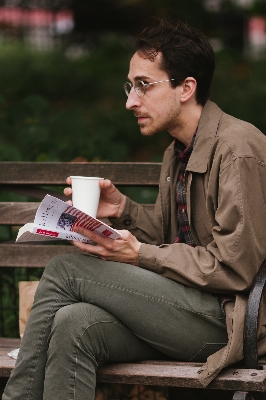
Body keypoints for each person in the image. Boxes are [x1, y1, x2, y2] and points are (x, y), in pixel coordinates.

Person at [3, 18, 266, 400]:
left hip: (231, 321)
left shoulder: (237, 148)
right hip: (185, 308)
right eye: (131, 86)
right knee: (73, 323)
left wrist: (138, 254)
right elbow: (169, 238)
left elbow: (235, 268)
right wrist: (123, 210)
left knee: (65, 270)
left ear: (185, 88)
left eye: (144, 85)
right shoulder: (176, 152)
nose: (130, 100)